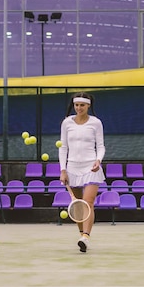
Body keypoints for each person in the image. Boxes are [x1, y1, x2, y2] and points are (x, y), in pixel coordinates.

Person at [58, 91, 106, 253]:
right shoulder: (66, 123)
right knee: (78, 206)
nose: (79, 108)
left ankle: (86, 236)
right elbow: (63, 147)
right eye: (77, 105)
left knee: (88, 202)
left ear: (88, 106)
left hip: (91, 167)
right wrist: (63, 170)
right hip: (72, 168)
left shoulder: (96, 123)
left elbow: (100, 145)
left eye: (82, 105)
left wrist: (98, 160)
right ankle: (81, 237)